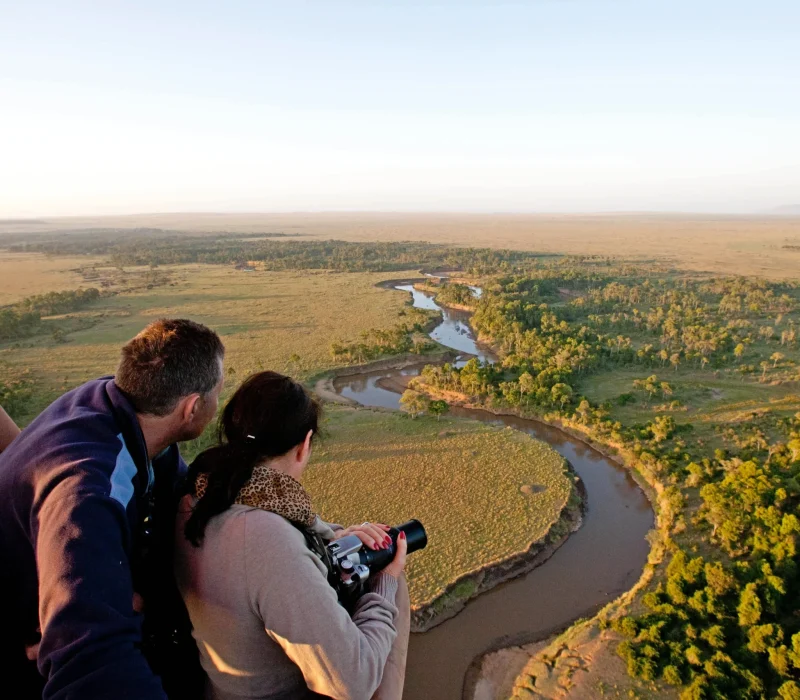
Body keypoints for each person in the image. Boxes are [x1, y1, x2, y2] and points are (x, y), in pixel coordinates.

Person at [0, 318, 225, 699]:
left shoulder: (116, 405)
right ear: (191, 409)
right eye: (218, 393)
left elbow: (181, 491)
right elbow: (90, 661)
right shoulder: (91, 491)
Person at [174, 371, 411, 700]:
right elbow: (353, 685)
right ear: (305, 445)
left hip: (224, 688)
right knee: (395, 589)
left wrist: (335, 539)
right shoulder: (265, 538)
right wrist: (384, 583)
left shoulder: (200, 496)